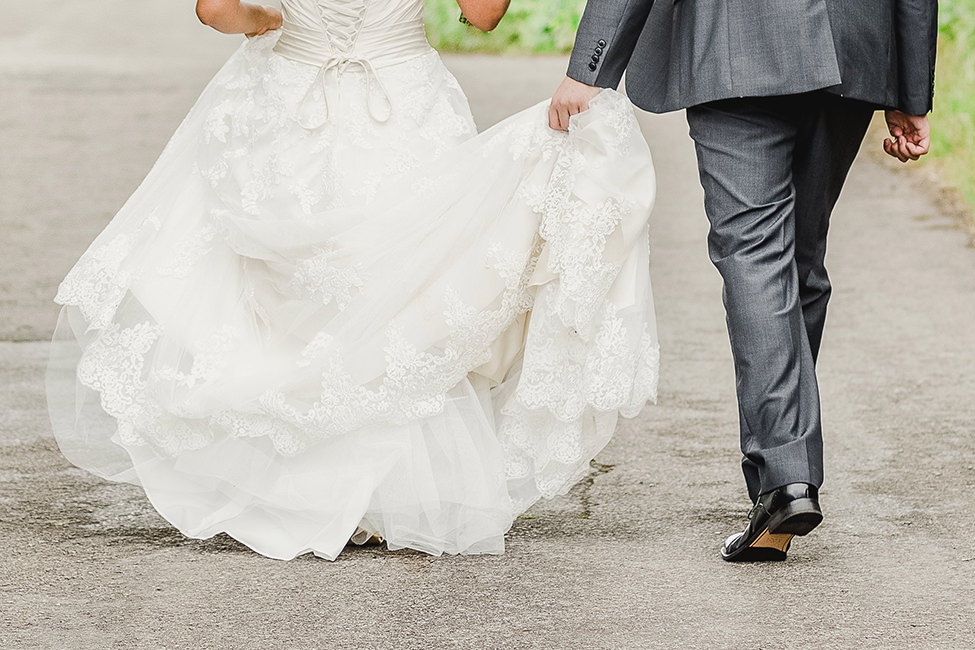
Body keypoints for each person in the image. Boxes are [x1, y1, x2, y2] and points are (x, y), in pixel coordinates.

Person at [46, 0, 660, 560]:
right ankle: (396, 495)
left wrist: (279, 23)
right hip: (405, 98)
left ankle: (286, 485)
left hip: (288, 95)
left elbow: (216, 10)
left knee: (288, 294)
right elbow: (481, 13)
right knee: (405, 287)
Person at [550, 0, 937, 561]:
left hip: (736, 43)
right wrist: (911, 91)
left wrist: (589, 67)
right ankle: (786, 477)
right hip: (854, 44)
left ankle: (786, 479)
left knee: (756, 254)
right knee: (799, 259)